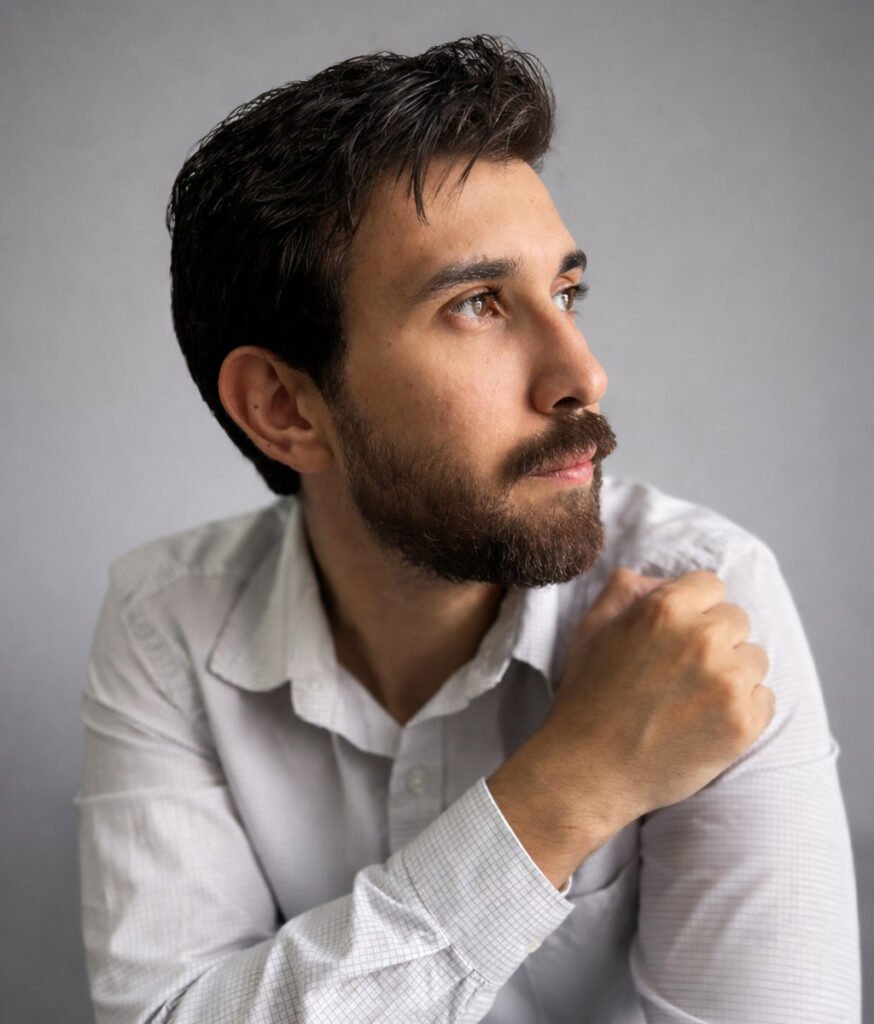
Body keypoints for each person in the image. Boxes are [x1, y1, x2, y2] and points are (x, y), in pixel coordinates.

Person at [77, 35, 860, 1023]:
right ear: (284, 407)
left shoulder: (700, 605)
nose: (583, 374)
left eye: (565, 293)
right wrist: (573, 783)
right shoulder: (168, 625)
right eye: (478, 304)